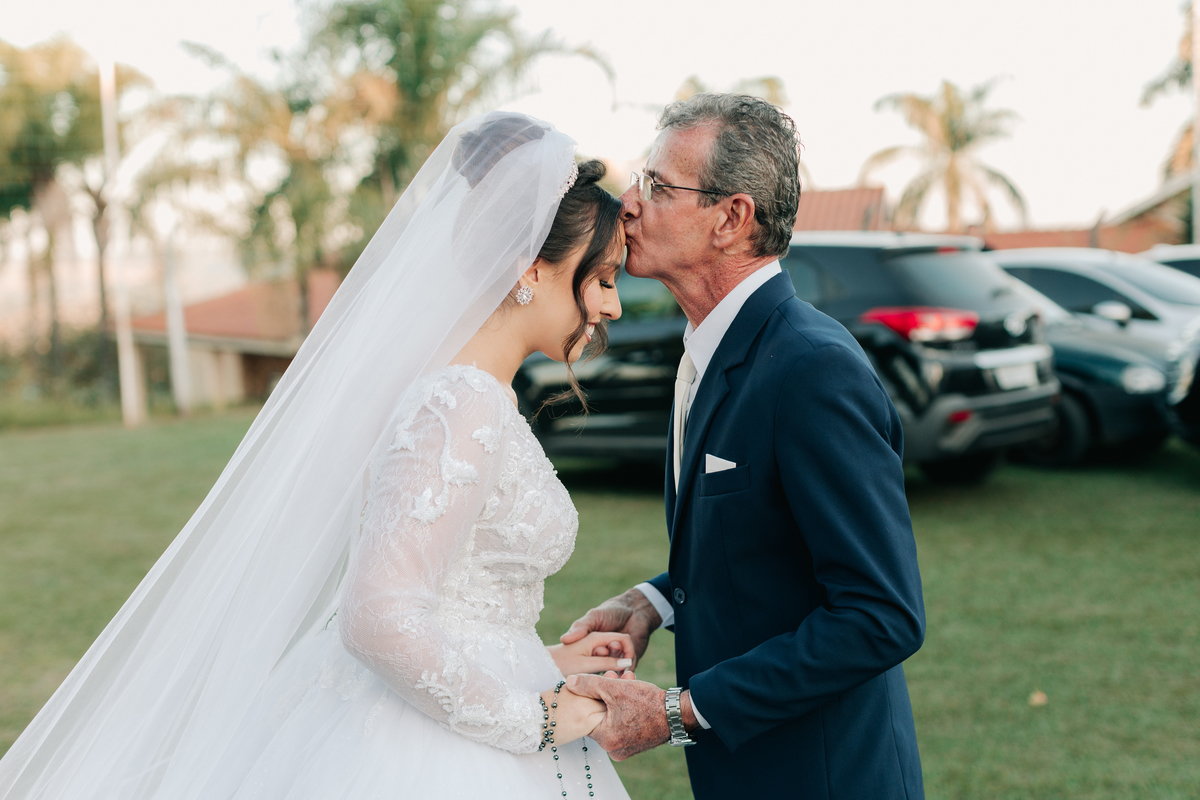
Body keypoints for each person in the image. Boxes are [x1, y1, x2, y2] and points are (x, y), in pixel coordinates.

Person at [0, 112, 633, 800]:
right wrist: (532, 718)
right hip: (427, 756)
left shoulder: (484, 397)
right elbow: (377, 613)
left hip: (455, 711)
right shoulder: (461, 402)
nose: (614, 306)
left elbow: (449, 603)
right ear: (531, 269)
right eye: (602, 278)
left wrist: (538, 661)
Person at [560, 94, 927, 799]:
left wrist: (677, 712)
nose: (628, 204)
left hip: (823, 778)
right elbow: (763, 542)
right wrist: (654, 602)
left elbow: (881, 615)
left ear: (730, 219)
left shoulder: (812, 368)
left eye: (657, 185)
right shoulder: (709, 349)